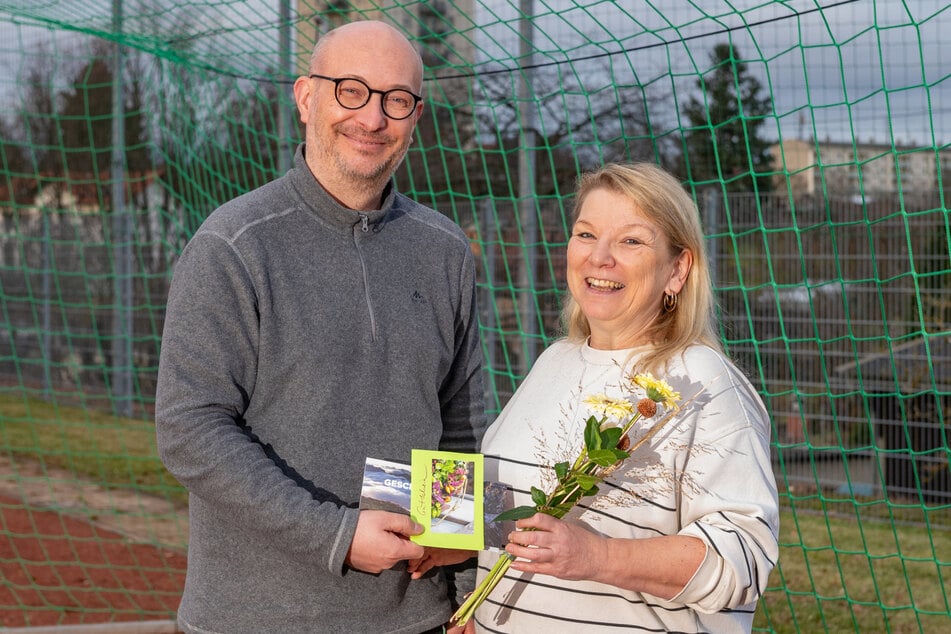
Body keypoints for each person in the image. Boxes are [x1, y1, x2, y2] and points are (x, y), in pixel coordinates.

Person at [154, 20, 485, 634]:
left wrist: (467, 591)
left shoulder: (445, 251)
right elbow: (190, 428)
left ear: (416, 116)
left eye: (397, 100)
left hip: (417, 619)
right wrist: (335, 534)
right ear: (306, 97)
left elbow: (461, 427)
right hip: (256, 620)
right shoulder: (232, 245)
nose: (373, 118)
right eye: (351, 90)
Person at [471, 163, 779, 633]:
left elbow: (743, 562)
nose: (600, 257)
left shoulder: (702, 384)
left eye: (631, 241)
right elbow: (513, 505)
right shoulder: (555, 361)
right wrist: (458, 548)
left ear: (677, 269)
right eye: (586, 234)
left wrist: (597, 554)